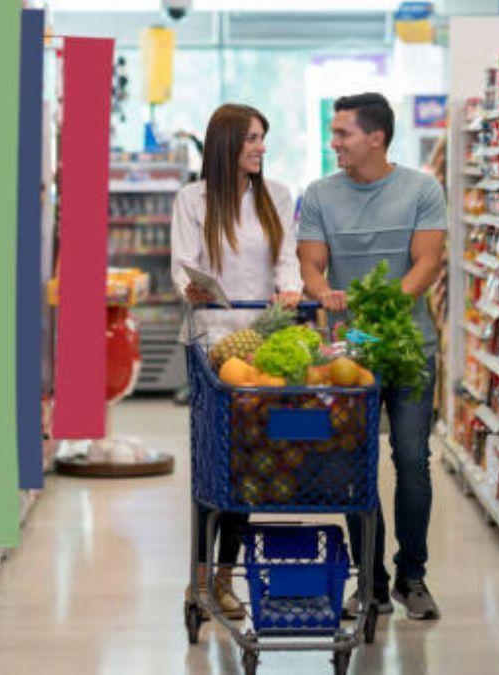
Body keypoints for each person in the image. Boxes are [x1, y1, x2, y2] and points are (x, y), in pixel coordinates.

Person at [298, 92, 447, 621]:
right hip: (349, 357)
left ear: (376, 137)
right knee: (354, 467)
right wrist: (322, 292)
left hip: (409, 346)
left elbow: (427, 263)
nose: (333, 142)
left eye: (342, 134)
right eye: (334, 133)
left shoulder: (421, 189)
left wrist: (383, 309)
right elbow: (312, 265)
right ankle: (373, 581)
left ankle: (413, 575)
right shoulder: (318, 195)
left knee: (412, 460)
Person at [171, 103, 303, 618]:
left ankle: (225, 579)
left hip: (259, 348)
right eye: (251, 137)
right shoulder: (193, 200)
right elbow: (183, 266)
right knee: (212, 466)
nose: (260, 146)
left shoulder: (278, 196)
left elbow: (287, 259)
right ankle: (198, 579)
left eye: (263, 137)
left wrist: (289, 290)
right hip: (209, 346)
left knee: (247, 467)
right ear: (226, 142)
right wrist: (191, 289)